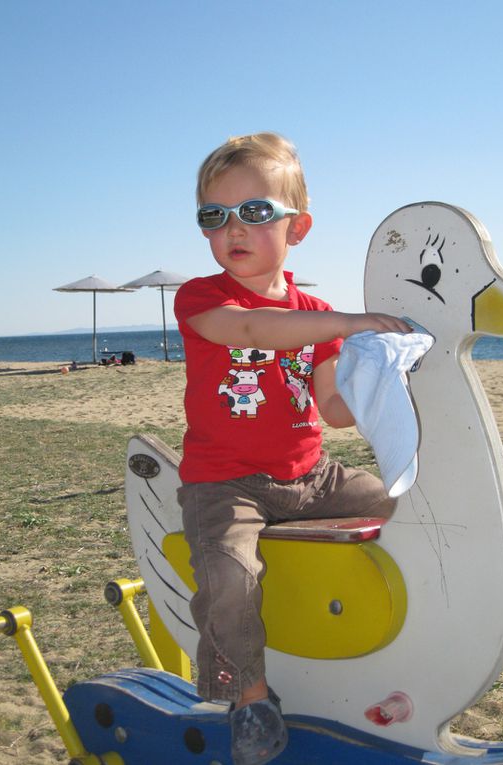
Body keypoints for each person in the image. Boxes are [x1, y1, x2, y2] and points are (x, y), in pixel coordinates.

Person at [174, 132, 411, 765]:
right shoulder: (204, 298)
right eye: (213, 216)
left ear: (297, 227)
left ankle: (394, 639)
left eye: (254, 212)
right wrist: (350, 324)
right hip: (224, 483)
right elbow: (252, 329)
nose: (233, 229)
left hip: (310, 476)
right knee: (229, 574)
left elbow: (332, 410)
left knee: (404, 504)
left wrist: (382, 387)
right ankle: (248, 697)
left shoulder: (317, 312)